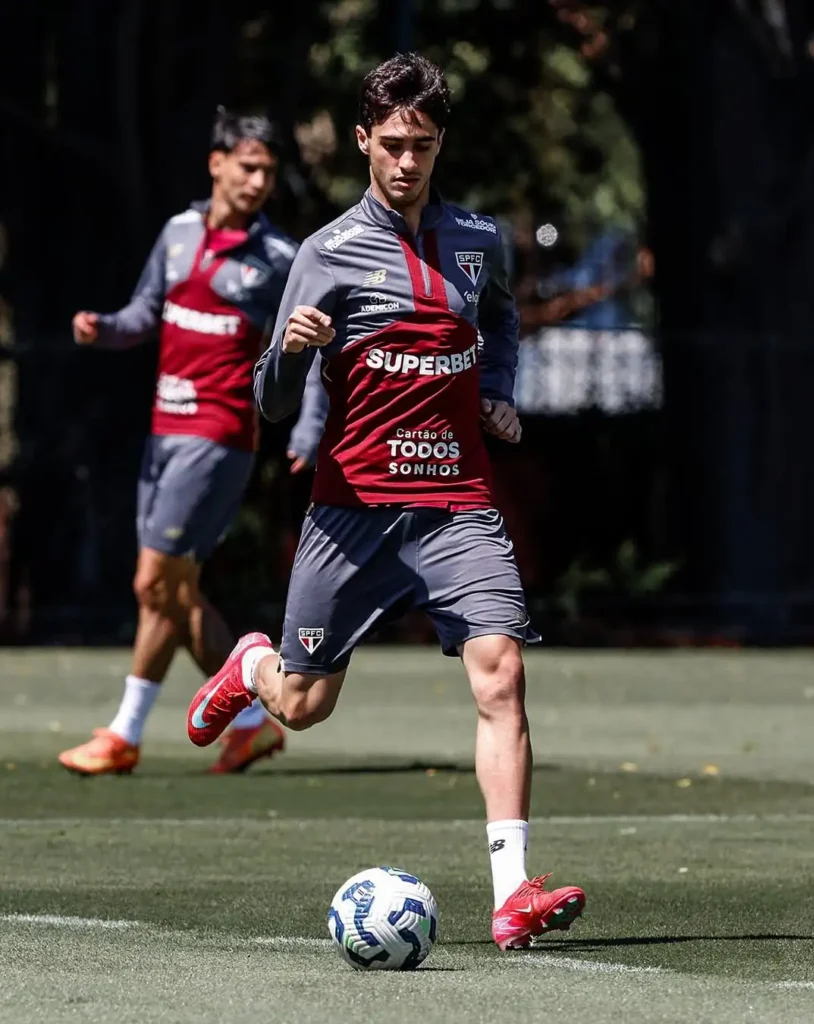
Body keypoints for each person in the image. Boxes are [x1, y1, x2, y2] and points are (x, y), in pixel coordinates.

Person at [185, 54, 586, 950]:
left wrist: (497, 390)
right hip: (352, 511)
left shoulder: (477, 240)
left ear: (441, 144)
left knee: (501, 672)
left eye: (424, 145)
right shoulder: (325, 253)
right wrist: (291, 352)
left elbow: (501, 320)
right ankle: (252, 666)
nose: (407, 161)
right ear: (363, 140)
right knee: (302, 706)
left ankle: (512, 894)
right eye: (393, 144)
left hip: (456, 503)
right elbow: (271, 402)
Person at [59, 108, 303, 776]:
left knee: (154, 582)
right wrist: (103, 328)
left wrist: (309, 424)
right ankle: (251, 720)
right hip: (163, 432)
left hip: (218, 437)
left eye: (267, 172)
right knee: (174, 593)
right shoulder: (177, 233)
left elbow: (309, 352)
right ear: (216, 164)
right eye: (247, 167)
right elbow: (144, 313)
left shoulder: (280, 259)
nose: (257, 182)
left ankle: (124, 733)